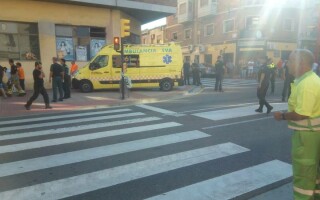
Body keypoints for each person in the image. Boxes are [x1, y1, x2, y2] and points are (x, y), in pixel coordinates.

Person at [274, 49, 320, 200]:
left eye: (291, 61)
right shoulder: (311, 79)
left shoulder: (307, 84)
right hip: (312, 134)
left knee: (303, 174)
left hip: (306, 137)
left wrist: (282, 116)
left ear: (301, 63)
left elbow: (302, 114)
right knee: (313, 174)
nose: (287, 64)